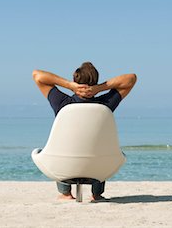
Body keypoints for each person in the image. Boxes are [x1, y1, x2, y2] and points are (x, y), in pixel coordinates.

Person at [32, 62, 137, 201]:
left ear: (75, 79)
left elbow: (37, 75)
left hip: (65, 166)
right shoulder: (105, 104)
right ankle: (97, 194)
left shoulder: (62, 103)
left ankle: (65, 193)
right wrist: (100, 89)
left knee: (61, 145)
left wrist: (69, 85)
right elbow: (131, 78)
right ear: (96, 81)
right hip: (98, 169)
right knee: (99, 146)